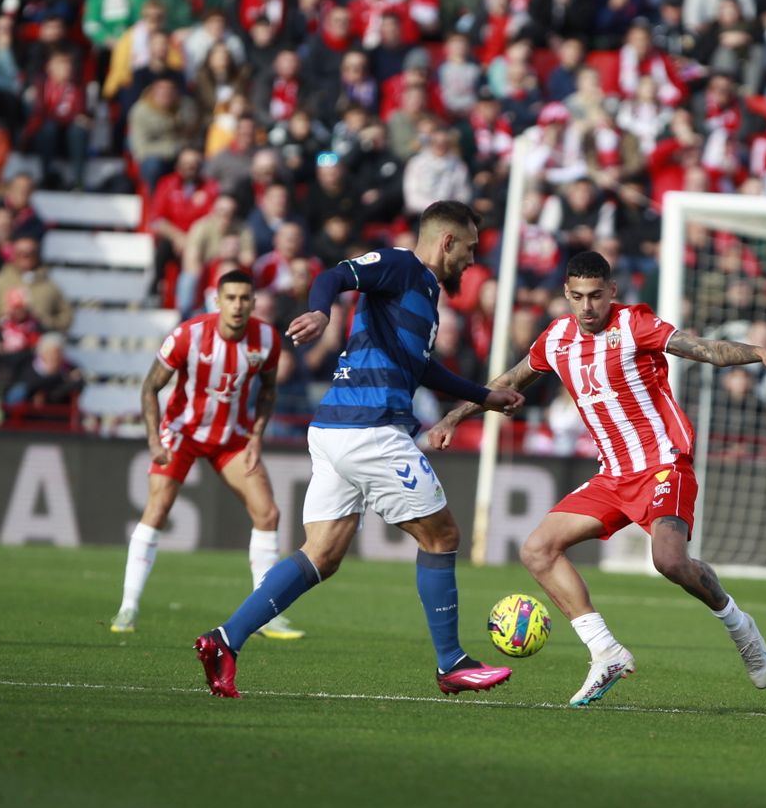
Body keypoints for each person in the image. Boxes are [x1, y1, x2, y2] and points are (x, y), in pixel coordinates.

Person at [430, 250, 766, 707]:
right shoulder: (556, 339)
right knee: (537, 549)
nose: (587, 307)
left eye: (596, 296)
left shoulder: (634, 325)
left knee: (669, 561)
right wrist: (456, 415)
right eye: (578, 297)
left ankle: (739, 626)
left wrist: (758, 354)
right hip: (613, 476)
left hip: (665, 464)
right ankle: (605, 651)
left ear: (612, 292)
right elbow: (510, 377)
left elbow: (705, 349)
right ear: (566, 294)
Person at [191, 201, 525, 699]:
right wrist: (322, 312)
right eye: (471, 248)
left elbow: (420, 367)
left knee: (321, 554)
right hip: (371, 428)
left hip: (336, 429)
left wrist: (484, 395)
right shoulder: (400, 264)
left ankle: (225, 640)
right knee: (442, 536)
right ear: (447, 241)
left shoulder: (426, 292)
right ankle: (451, 662)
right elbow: (334, 275)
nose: (474, 261)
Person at [113, 269, 302, 640]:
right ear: (217, 301)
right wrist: (154, 440)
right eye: (230, 298)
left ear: (253, 302)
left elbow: (267, 391)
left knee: (268, 512)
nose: (237, 305)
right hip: (182, 433)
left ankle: (265, 616)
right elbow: (150, 387)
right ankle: (128, 605)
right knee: (158, 508)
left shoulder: (266, 339)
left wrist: (257, 436)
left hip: (231, 437)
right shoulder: (189, 335)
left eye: (244, 298)